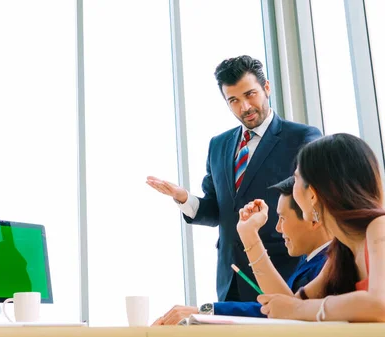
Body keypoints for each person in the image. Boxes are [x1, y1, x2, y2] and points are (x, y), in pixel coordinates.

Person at [147, 55, 322, 302]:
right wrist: (184, 198)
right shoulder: (219, 145)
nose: (245, 107)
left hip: (282, 273)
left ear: (267, 88)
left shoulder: (302, 137)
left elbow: (313, 206)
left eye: (250, 94)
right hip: (231, 279)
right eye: (234, 100)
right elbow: (217, 211)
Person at [152, 177, 331, 324]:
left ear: (313, 218)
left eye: (282, 218)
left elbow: (287, 311)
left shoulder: (330, 265)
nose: (278, 228)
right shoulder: (310, 261)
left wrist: (204, 311)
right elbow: (285, 308)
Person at [258, 133, 385, 322]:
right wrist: (249, 237)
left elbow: (379, 305)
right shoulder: (342, 250)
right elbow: (292, 303)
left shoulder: (379, 226)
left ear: (312, 194)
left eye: (296, 179)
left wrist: (298, 308)